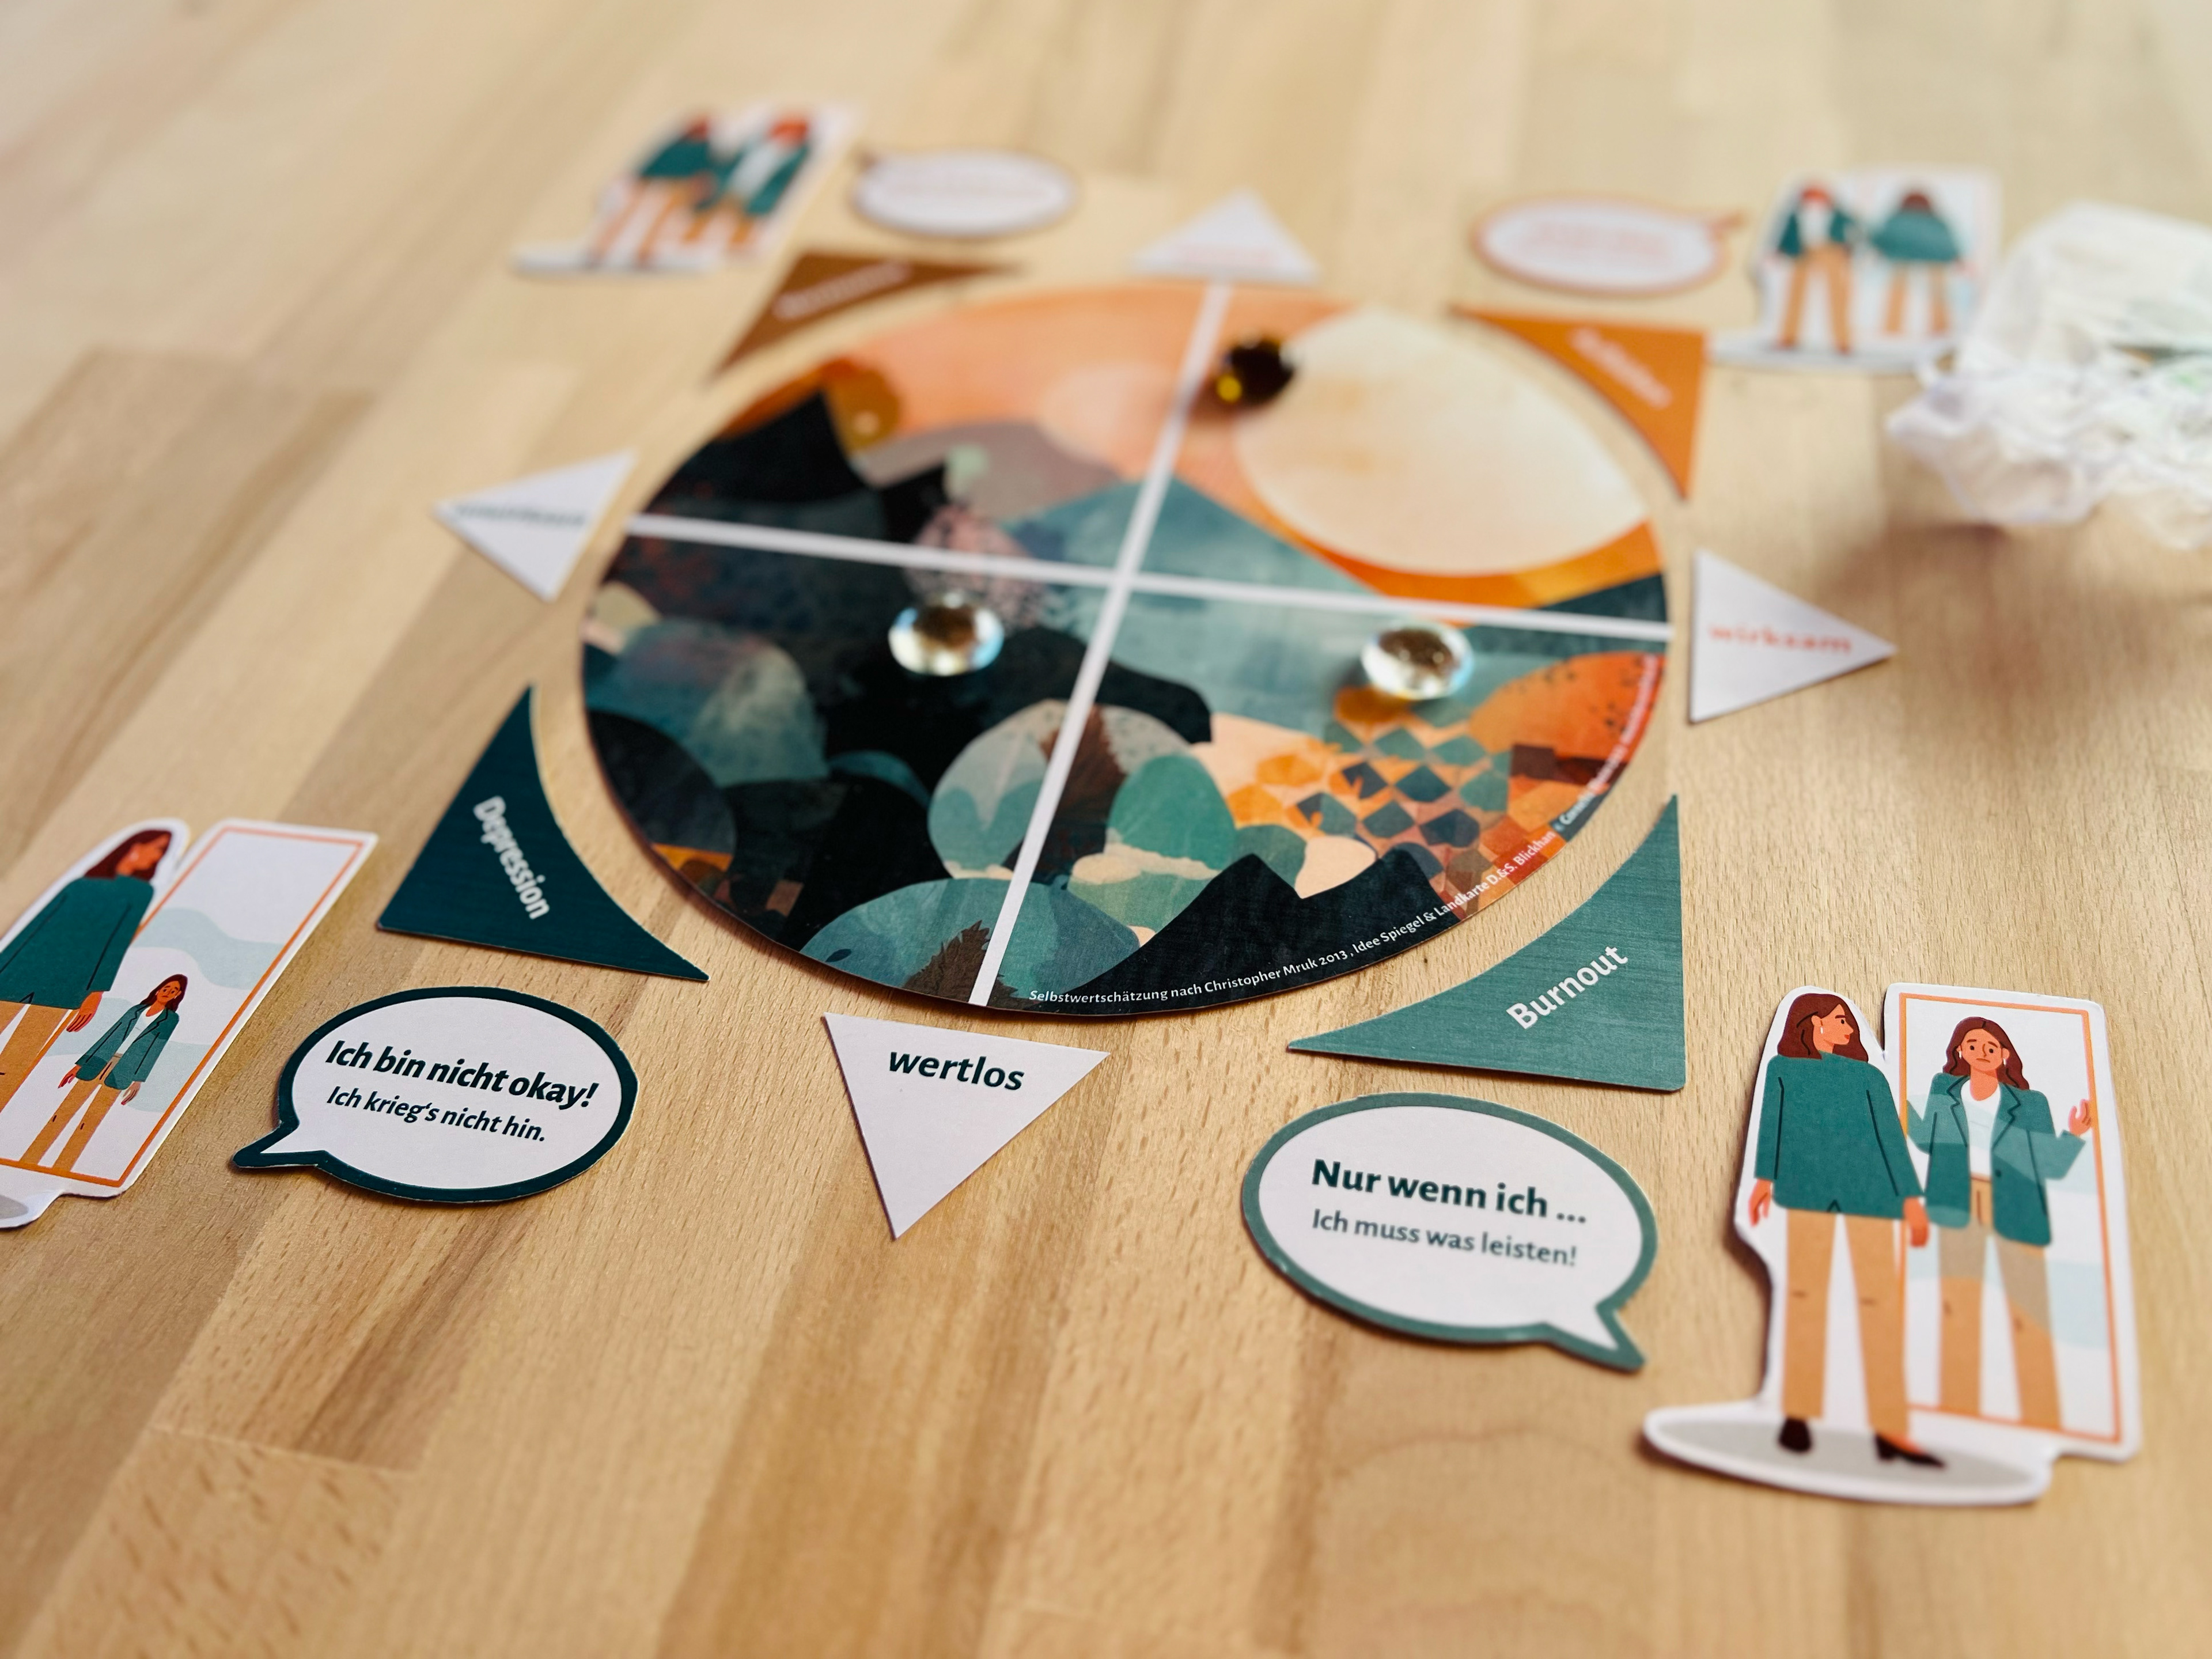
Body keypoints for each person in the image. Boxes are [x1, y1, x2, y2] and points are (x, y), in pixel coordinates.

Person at [1748, 991, 1942, 1465]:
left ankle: (1890, 1429)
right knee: (1803, 1297)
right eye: (1840, 1019)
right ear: (1812, 1023)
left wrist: (1912, 1201)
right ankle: (1796, 1415)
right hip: (1806, 1193)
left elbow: (1891, 1139)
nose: (1850, 1028)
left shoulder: (1868, 1076)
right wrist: (1763, 1181)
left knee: (1879, 1305)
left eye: (1848, 1022)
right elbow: (1772, 1125)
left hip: (1872, 1197)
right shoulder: (1782, 1069)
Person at [1908, 1017, 2089, 1429]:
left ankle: (2042, 1413)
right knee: (1958, 1307)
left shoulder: (2031, 1104)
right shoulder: (1944, 1090)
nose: (1982, 1051)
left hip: (2016, 1203)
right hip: (1957, 1200)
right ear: (1959, 1050)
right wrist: (1898, 1106)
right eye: (1973, 1044)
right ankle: (1957, 1409)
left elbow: (2050, 1166)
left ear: (2005, 1054)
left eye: (1991, 1046)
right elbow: (1927, 1141)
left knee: (2028, 1308)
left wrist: (2075, 1135)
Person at [0, 828, 171, 1116]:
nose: (156, 857)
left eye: (161, 852)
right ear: (135, 846)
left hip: (66, 986)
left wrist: (95, 993)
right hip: (19, 972)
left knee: (15, 1061)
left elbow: (115, 946)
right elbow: (32, 930)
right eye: (156, 848)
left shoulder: (140, 893)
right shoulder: (80, 884)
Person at [22, 974, 186, 1175]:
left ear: (177, 995)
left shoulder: (170, 1020)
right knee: (62, 1113)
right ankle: (31, 1159)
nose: (168, 992)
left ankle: (63, 1168)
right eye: (166, 987)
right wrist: (79, 1065)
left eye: (174, 991)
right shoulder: (136, 1010)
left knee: (88, 1123)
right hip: (99, 1061)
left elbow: (155, 1049)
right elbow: (109, 1036)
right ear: (159, 989)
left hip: (124, 1069)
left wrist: (139, 1079)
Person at [586, 118, 723, 264]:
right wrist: (639, 177)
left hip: (675, 187)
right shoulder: (680, 144)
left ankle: (643, 252)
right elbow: (657, 161)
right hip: (653, 183)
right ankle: (602, 249)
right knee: (627, 215)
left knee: (658, 220)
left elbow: (703, 172)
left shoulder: (702, 148)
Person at [1772, 184, 1859, 353]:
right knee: (1796, 293)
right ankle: (1789, 337)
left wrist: (1849, 248)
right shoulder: (1796, 216)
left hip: (1831, 250)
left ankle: (1843, 341)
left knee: (1837, 295)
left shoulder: (1838, 215)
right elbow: (1787, 234)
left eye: (1818, 198)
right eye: (1810, 199)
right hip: (1803, 251)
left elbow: (1856, 229)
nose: (1814, 202)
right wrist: (1780, 250)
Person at [1869, 188, 1963, 338]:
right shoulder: (1936, 221)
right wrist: (1957, 257)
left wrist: (1878, 251)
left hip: (1903, 258)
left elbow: (1883, 238)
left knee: (1898, 292)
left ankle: (1892, 327)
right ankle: (1941, 328)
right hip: (1934, 259)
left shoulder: (1897, 219)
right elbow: (1947, 242)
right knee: (1937, 294)